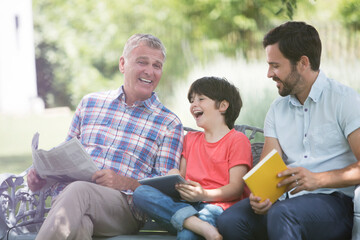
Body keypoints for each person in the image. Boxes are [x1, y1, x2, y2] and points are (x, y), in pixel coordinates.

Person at [26, 33, 184, 239]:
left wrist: (122, 182)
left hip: (124, 209)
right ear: (122, 64)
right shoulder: (90, 103)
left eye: (157, 65)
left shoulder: (168, 122)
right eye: (142, 62)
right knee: (81, 226)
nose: (150, 71)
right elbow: (63, 156)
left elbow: (163, 189)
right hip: (73, 203)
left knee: (79, 191)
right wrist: (40, 176)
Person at [217, 21, 360, 240]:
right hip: (287, 204)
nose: (269, 74)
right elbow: (267, 168)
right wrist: (261, 196)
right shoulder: (277, 109)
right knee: (230, 220)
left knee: (283, 215)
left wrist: (319, 179)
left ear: (303, 62)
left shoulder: (345, 100)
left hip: (337, 203)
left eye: (275, 65)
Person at [133, 76, 253, 240]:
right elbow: (182, 178)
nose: (193, 105)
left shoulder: (237, 140)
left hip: (217, 207)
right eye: (191, 100)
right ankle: (199, 226)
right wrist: (173, 178)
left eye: (201, 99)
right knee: (141, 192)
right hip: (186, 206)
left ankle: (194, 224)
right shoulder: (190, 139)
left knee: (187, 236)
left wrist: (203, 195)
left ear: (223, 106)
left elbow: (236, 188)